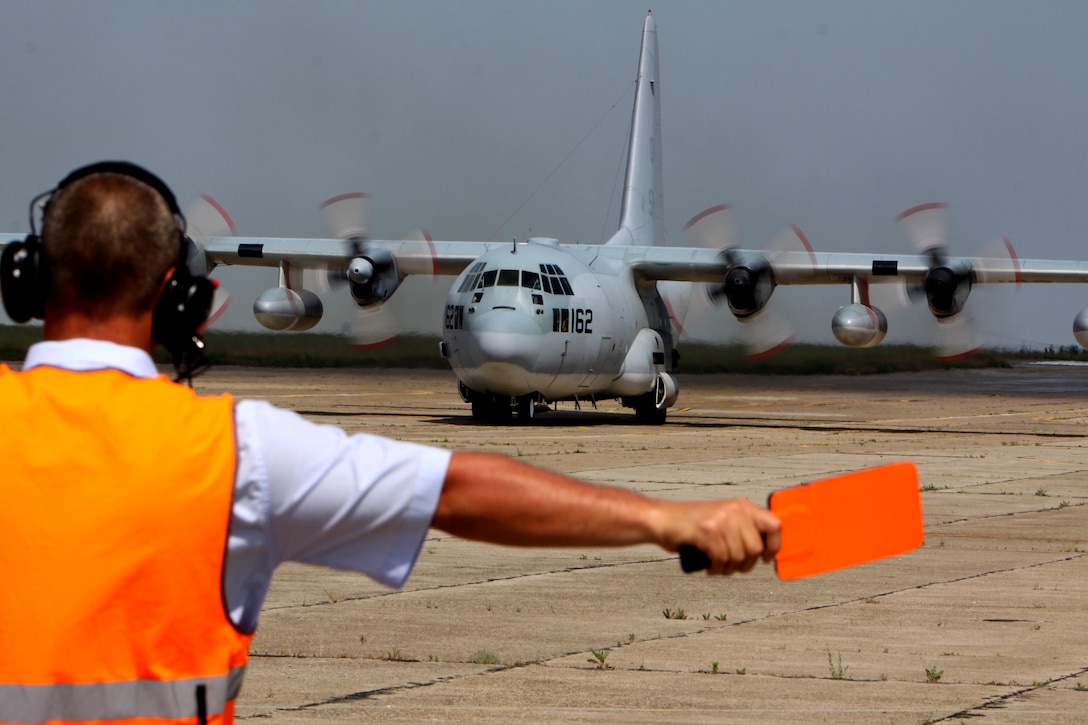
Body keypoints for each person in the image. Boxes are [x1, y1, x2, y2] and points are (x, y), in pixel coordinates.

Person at [0, 161, 781, 724]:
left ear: (28, 279)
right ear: (185, 298)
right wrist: (669, 520)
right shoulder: (236, 448)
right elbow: (460, 491)